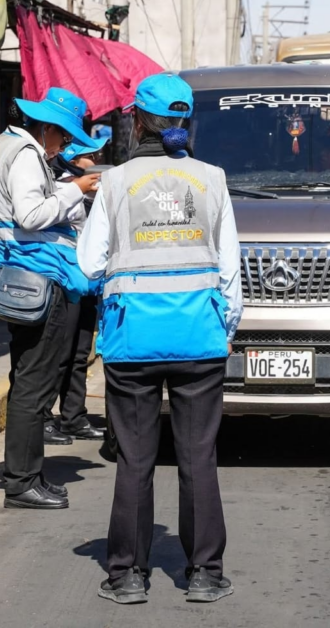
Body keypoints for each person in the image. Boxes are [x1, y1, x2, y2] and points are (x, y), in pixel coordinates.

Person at [78, 73, 243, 604]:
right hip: (199, 338)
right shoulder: (212, 179)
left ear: (137, 122)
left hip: (132, 341)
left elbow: (89, 264)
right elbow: (230, 269)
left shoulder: (115, 182)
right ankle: (205, 574)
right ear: (184, 122)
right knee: (198, 457)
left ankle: (127, 575)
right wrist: (226, 329)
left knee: (135, 460)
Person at [0, 88, 101, 510]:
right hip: (40, 280)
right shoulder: (27, 155)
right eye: (63, 137)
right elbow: (31, 216)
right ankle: (22, 482)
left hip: (21, 278)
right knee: (35, 383)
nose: (63, 145)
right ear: (47, 128)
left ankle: (27, 475)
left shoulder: (6, 146)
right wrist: (74, 190)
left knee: (27, 379)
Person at [42, 135, 111, 445]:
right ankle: (44, 418)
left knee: (81, 353)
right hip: (65, 281)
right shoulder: (60, 190)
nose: (97, 160)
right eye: (90, 155)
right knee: (59, 351)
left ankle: (74, 418)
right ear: (72, 160)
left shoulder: (95, 192)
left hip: (89, 283)